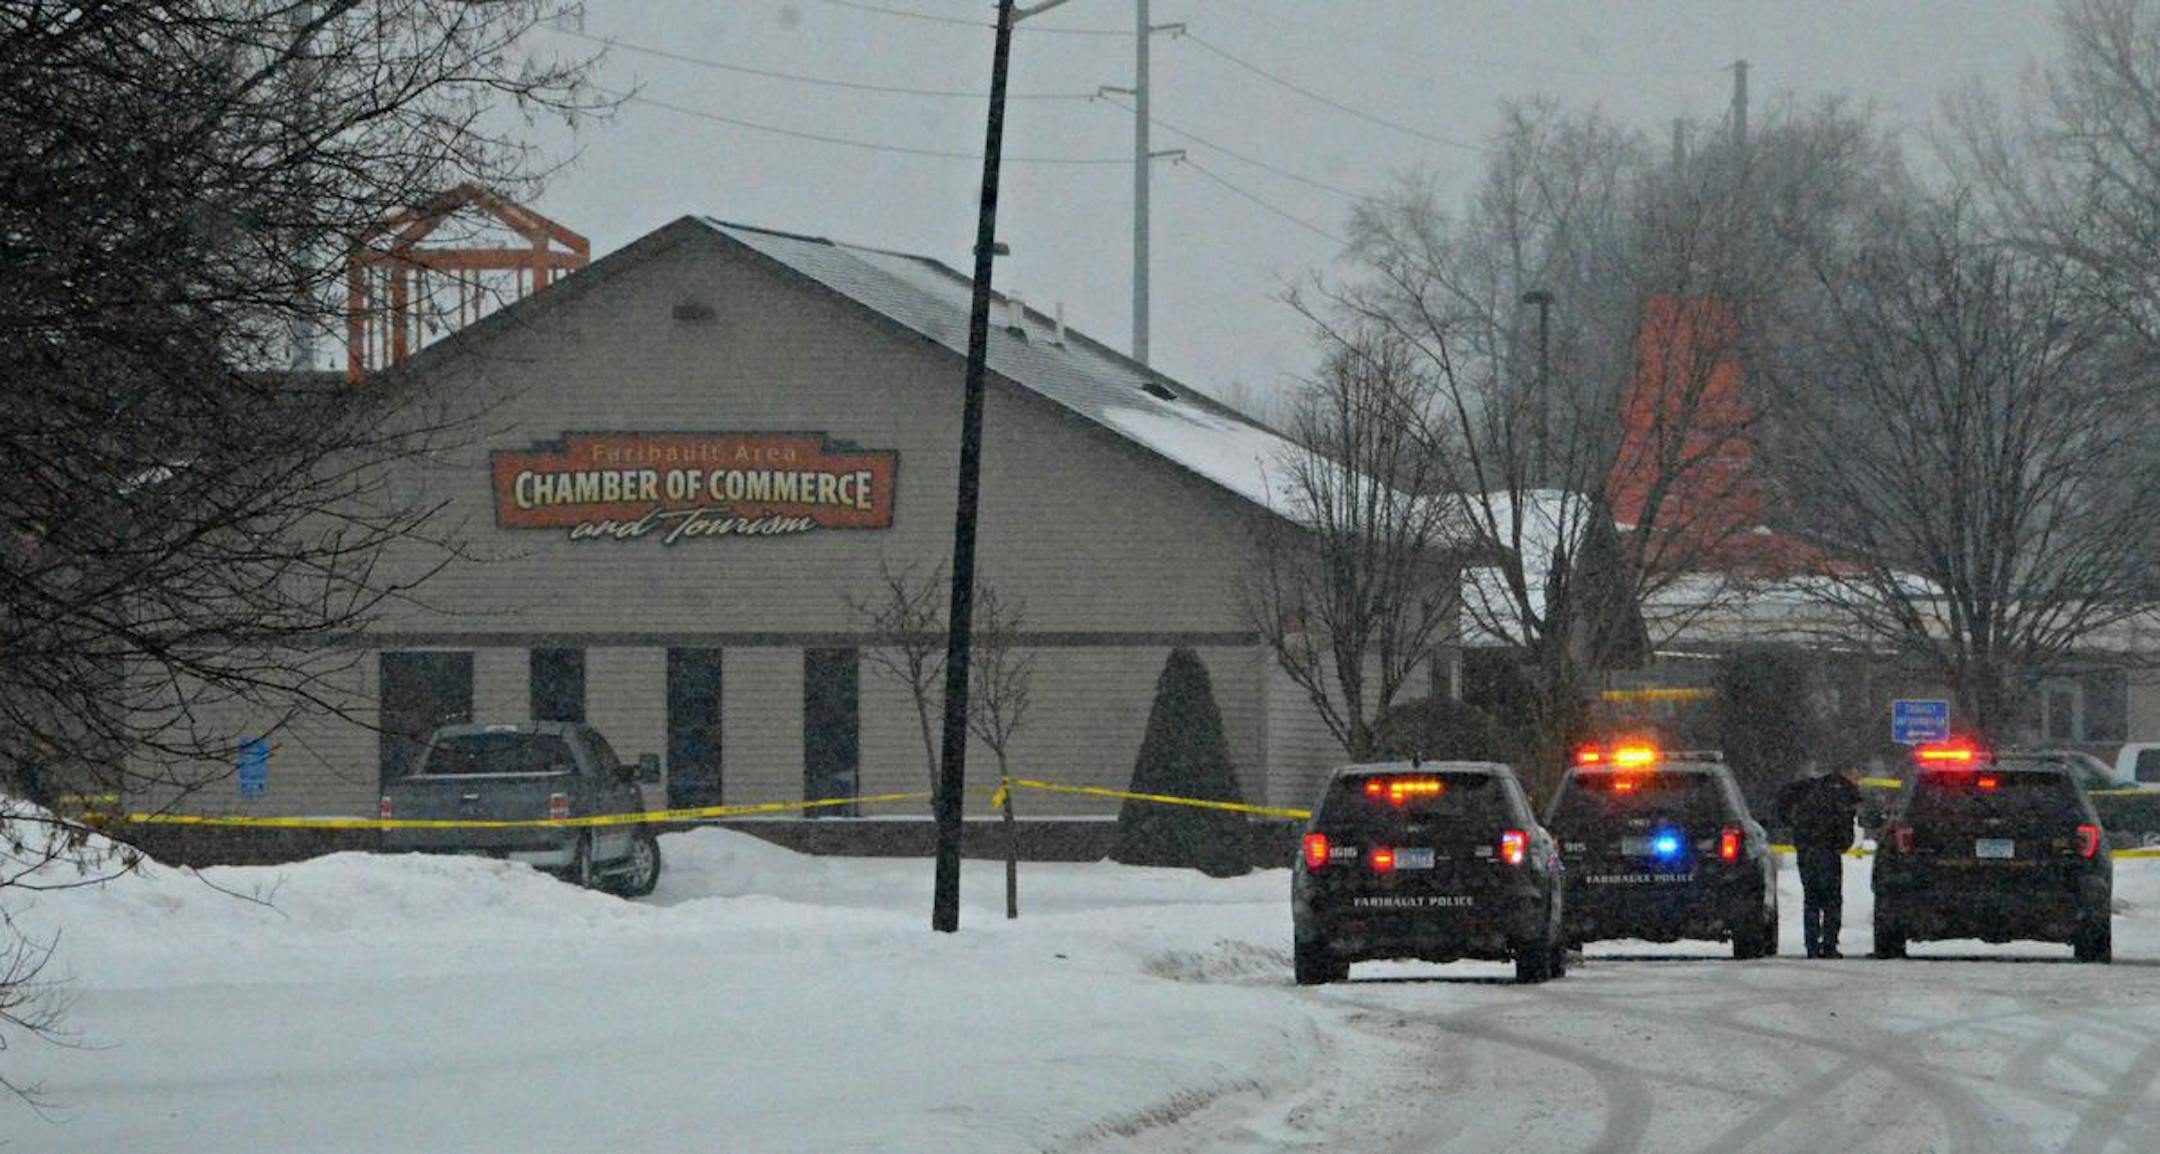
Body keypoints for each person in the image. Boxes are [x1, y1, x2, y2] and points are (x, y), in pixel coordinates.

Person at [1777, 764, 1861, 958]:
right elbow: (1845, 826)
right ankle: (1829, 944)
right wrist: (1842, 844)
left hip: (1806, 851)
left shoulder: (1810, 788)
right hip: (1828, 852)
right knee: (1832, 900)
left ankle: (1812, 945)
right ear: (1847, 773)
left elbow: (1785, 807)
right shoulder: (1843, 793)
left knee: (1811, 899)